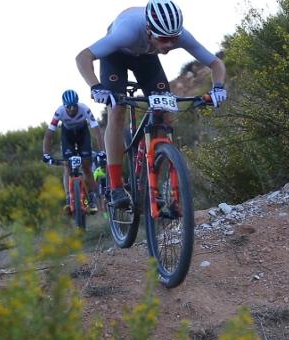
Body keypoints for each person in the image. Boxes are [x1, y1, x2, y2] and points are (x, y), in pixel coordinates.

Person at [75, 0, 227, 209]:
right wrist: (95, 87)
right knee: (117, 110)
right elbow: (83, 57)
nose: (169, 46)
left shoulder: (178, 35)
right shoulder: (126, 32)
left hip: (146, 57)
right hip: (116, 56)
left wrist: (218, 87)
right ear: (149, 30)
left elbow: (215, 63)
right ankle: (116, 186)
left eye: (173, 40)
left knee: (165, 113)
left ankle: (159, 167)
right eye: (164, 40)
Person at [42, 89, 105, 213]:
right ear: (64, 106)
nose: (71, 109)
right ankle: (68, 198)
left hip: (83, 135)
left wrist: (102, 150)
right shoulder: (59, 112)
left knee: (87, 167)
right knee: (67, 167)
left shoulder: (85, 109)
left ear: (77, 103)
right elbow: (49, 134)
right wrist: (46, 153)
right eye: (68, 107)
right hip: (68, 136)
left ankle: (92, 199)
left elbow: (96, 131)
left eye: (74, 106)